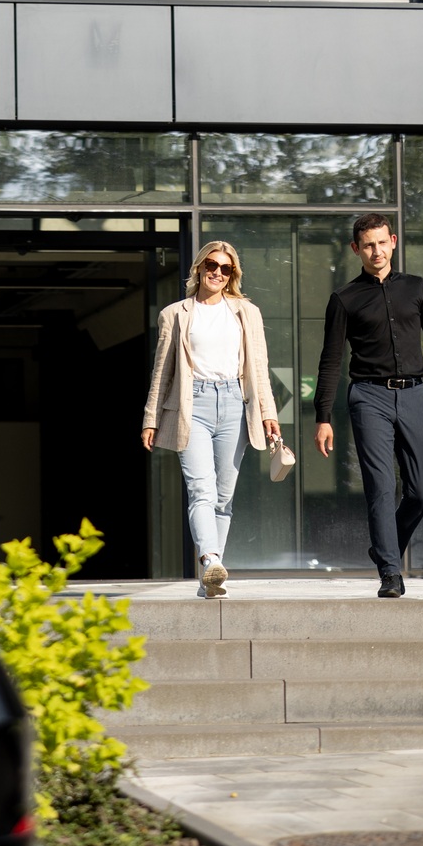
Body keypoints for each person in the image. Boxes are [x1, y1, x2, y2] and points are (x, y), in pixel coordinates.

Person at [313, 213, 423, 598]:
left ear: (393, 241)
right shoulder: (344, 299)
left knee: (421, 491)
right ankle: (390, 572)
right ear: (356, 249)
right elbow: (331, 362)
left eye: (381, 243)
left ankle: (384, 547)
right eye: (367, 245)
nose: (376, 251)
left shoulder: (417, 289)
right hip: (368, 397)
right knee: (381, 487)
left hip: (414, 395)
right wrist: (323, 417)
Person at [142, 242, 279, 598]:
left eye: (226, 268)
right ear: (200, 267)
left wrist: (268, 413)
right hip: (193, 405)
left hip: (235, 402)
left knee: (223, 495)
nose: (218, 272)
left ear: (233, 275)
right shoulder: (176, 314)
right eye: (212, 265)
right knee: (201, 489)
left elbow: (259, 369)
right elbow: (162, 372)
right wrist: (150, 418)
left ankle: (211, 581)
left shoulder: (247, 312)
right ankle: (210, 560)